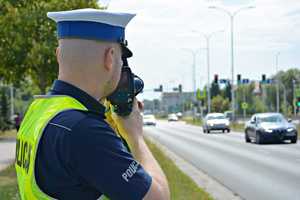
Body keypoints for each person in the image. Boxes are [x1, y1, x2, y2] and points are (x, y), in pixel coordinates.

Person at [15, 8, 170, 200]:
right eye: (122, 60)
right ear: (110, 58)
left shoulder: (39, 111)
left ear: (57, 55)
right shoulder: (85, 130)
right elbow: (158, 197)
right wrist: (135, 136)